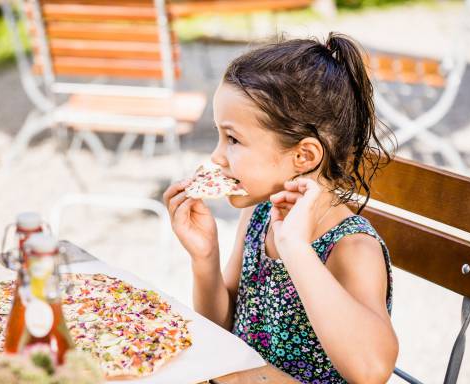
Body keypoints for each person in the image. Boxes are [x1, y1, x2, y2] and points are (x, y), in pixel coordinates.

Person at [163, 33, 398, 383]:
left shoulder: (352, 247)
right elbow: (221, 327)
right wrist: (205, 257)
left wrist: (295, 248)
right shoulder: (258, 214)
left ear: (303, 156)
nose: (215, 156)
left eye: (233, 139)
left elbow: (371, 371)